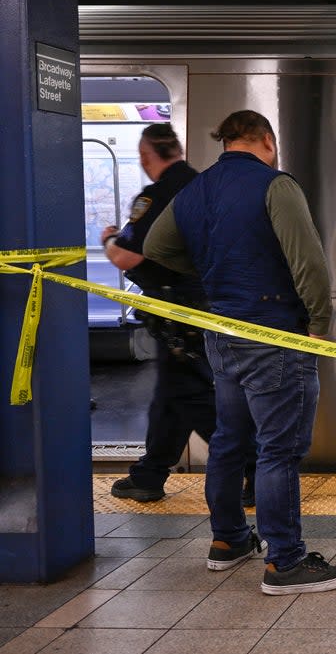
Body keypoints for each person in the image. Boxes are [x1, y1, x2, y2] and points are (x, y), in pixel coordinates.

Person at [144, 110, 336, 595]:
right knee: (278, 450)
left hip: (221, 331)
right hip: (275, 333)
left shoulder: (195, 189)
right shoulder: (275, 186)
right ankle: (286, 562)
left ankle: (229, 540)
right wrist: (320, 326)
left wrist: (210, 272)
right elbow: (309, 264)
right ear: (266, 139)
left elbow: (157, 246)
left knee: (228, 439)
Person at [102, 123, 235, 503]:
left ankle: (252, 467)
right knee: (172, 392)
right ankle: (150, 473)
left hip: (176, 311)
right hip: (209, 304)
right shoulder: (206, 186)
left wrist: (108, 240)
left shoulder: (156, 196)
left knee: (191, 394)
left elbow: (127, 255)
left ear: (147, 156)